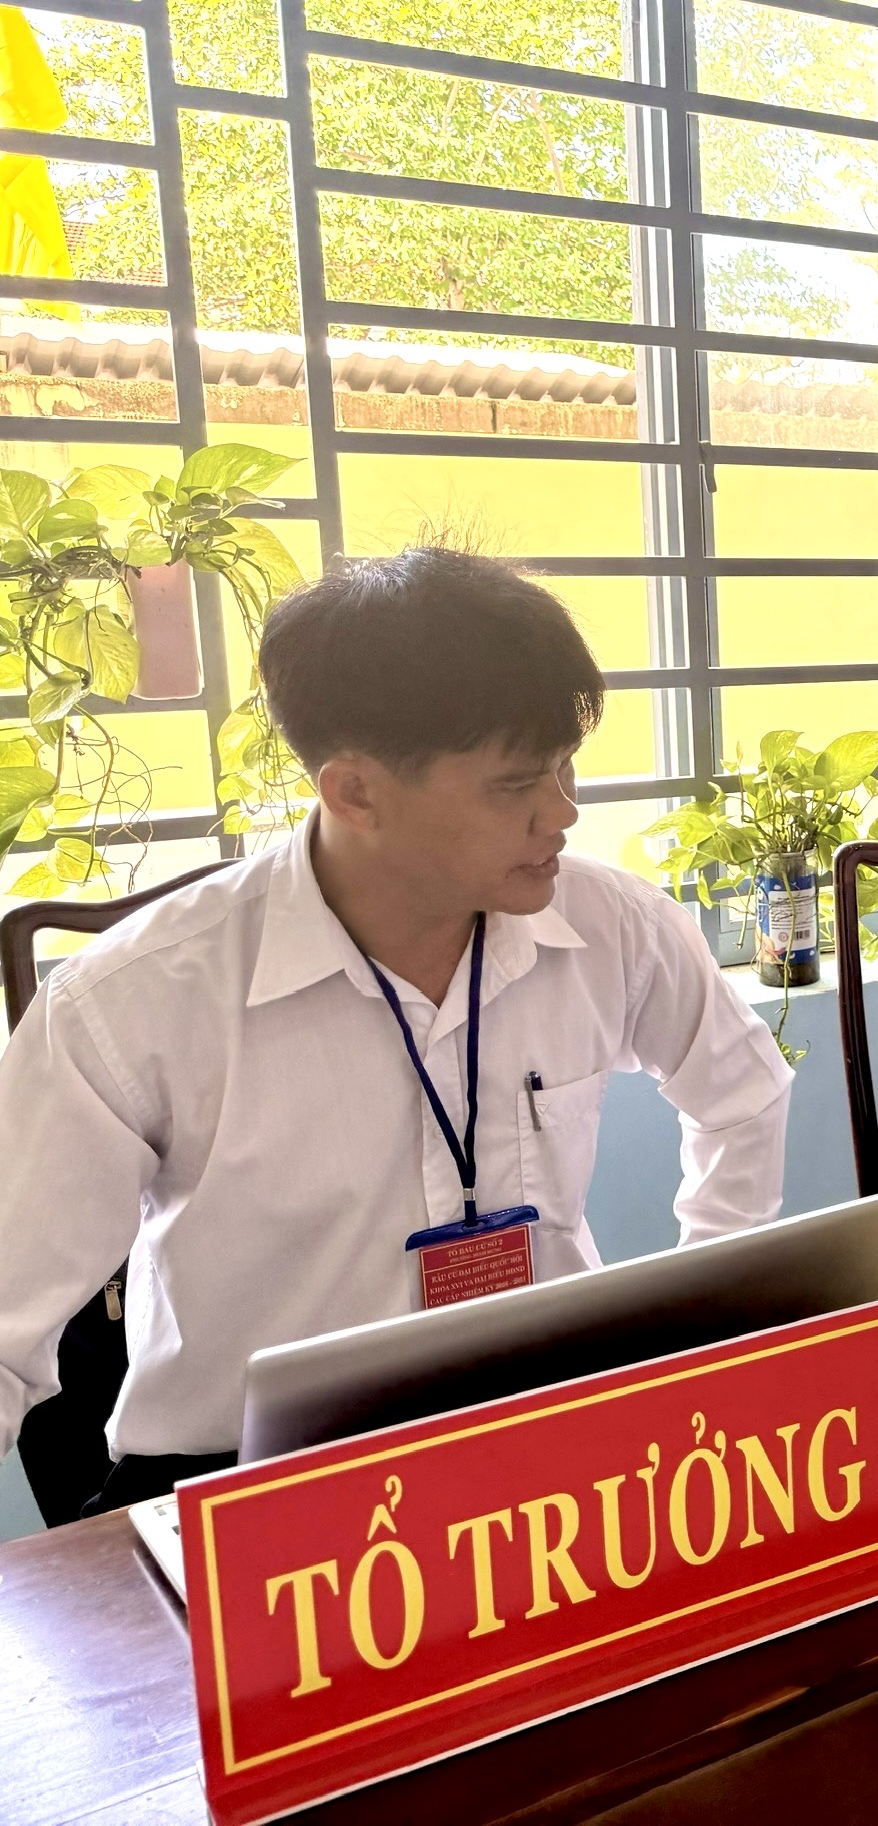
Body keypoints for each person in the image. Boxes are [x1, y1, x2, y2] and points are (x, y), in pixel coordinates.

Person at [0, 548, 794, 1514]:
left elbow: (743, 1095)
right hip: (250, 1488)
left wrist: (698, 1336)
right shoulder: (138, 1001)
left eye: (564, 766)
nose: (563, 811)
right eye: (515, 785)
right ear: (356, 793)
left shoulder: (610, 926)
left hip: (541, 1448)